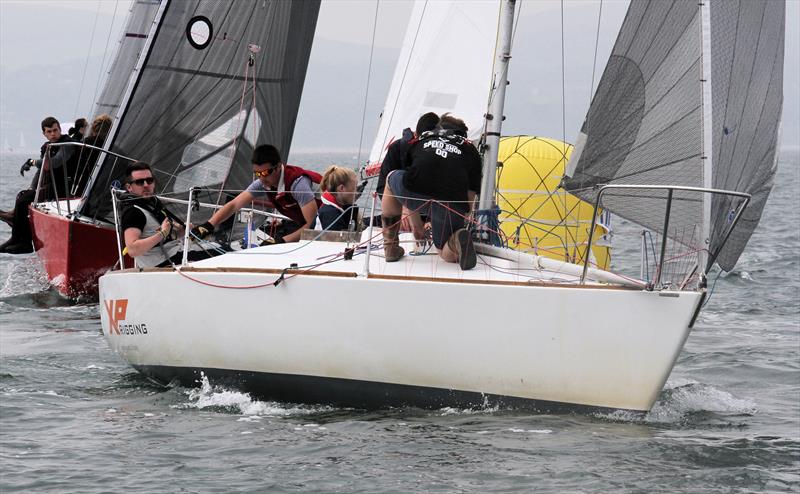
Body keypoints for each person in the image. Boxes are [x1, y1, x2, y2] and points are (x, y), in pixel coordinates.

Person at [380, 113, 482, 270]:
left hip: (416, 192)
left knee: (391, 178)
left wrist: (417, 227)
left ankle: (391, 247)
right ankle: (456, 242)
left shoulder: (423, 139)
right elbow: (468, 200)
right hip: (451, 201)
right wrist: (457, 222)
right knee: (443, 250)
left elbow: (411, 180)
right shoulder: (471, 151)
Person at [192, 144, 321, 244]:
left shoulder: (298, 185)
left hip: (328, 223)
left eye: (265, 173)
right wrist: (208, 225)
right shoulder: (263, 182)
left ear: (278, 167)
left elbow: (311, 226)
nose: (261, 178)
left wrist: (282, 241)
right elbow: (234, 204)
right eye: (257, 173)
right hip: (306, 225)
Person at [0, 116, 78, 254]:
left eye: (55, 130)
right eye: (49, 132)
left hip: (65, 187)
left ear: (60, 129)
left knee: (24, 201)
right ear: (44, 133)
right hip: (51, 185)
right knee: (22, 196)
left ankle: (24, 242)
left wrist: (32, 162)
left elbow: (55, 162)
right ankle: (16, 236)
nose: (53, 134)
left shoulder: (68, 144)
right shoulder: (47, 146)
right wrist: (32, 187)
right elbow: (41, 172)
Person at [119, 162, 217, 268]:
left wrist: (180, 232)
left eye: (149, 180)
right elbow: (133, 250)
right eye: (140, 182)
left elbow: (165, 236)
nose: (146, 185)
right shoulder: (133, 212)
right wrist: (162, 233)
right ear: (129, 187)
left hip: (174, 253)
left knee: (220, 247)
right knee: (220, 254)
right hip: (163, 262)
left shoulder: (152, 204)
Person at [376, 112, 439, 197]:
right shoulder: (397, 148)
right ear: (416, 135)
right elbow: (382, 188)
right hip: (400, 202)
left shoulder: (441, 151)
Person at [72, 114, 112, 196]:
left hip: (83, 186)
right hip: (104, 187)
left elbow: (77, 165)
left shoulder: (84, 143)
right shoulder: (112, 147)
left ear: (93, 128)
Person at [318, 166, 359, 231]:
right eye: (354, 188)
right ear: (341, 188)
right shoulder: (330, 214)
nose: (356, 193)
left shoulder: (335, 209)